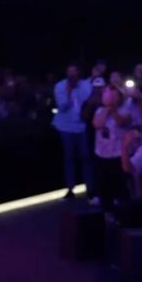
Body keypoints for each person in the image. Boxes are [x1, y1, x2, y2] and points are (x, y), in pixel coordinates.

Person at [52, 63, 93, 199]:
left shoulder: (86, 85)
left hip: (82, 126)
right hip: (65, 126)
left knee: (86, 157)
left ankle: (90, 188)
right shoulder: (59, 86)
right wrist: (69, 92)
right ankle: (70, 188)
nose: (72, 74)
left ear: (78, 72)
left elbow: (88, 102)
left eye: (74, 71)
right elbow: (62, 106)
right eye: (70, 71)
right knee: (69, 157)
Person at [91, 84, 132, 208]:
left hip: (119, 155)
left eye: (114, 95)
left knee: (121, 187)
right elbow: (97, 124)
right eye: (108, 94)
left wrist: (112, 109)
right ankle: (107, 211)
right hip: (102, 155)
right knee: (104, 187)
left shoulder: (125, 111)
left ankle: (124, 212)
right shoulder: (99, 111)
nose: (111, 97)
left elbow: (121, 122)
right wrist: (107, 109)